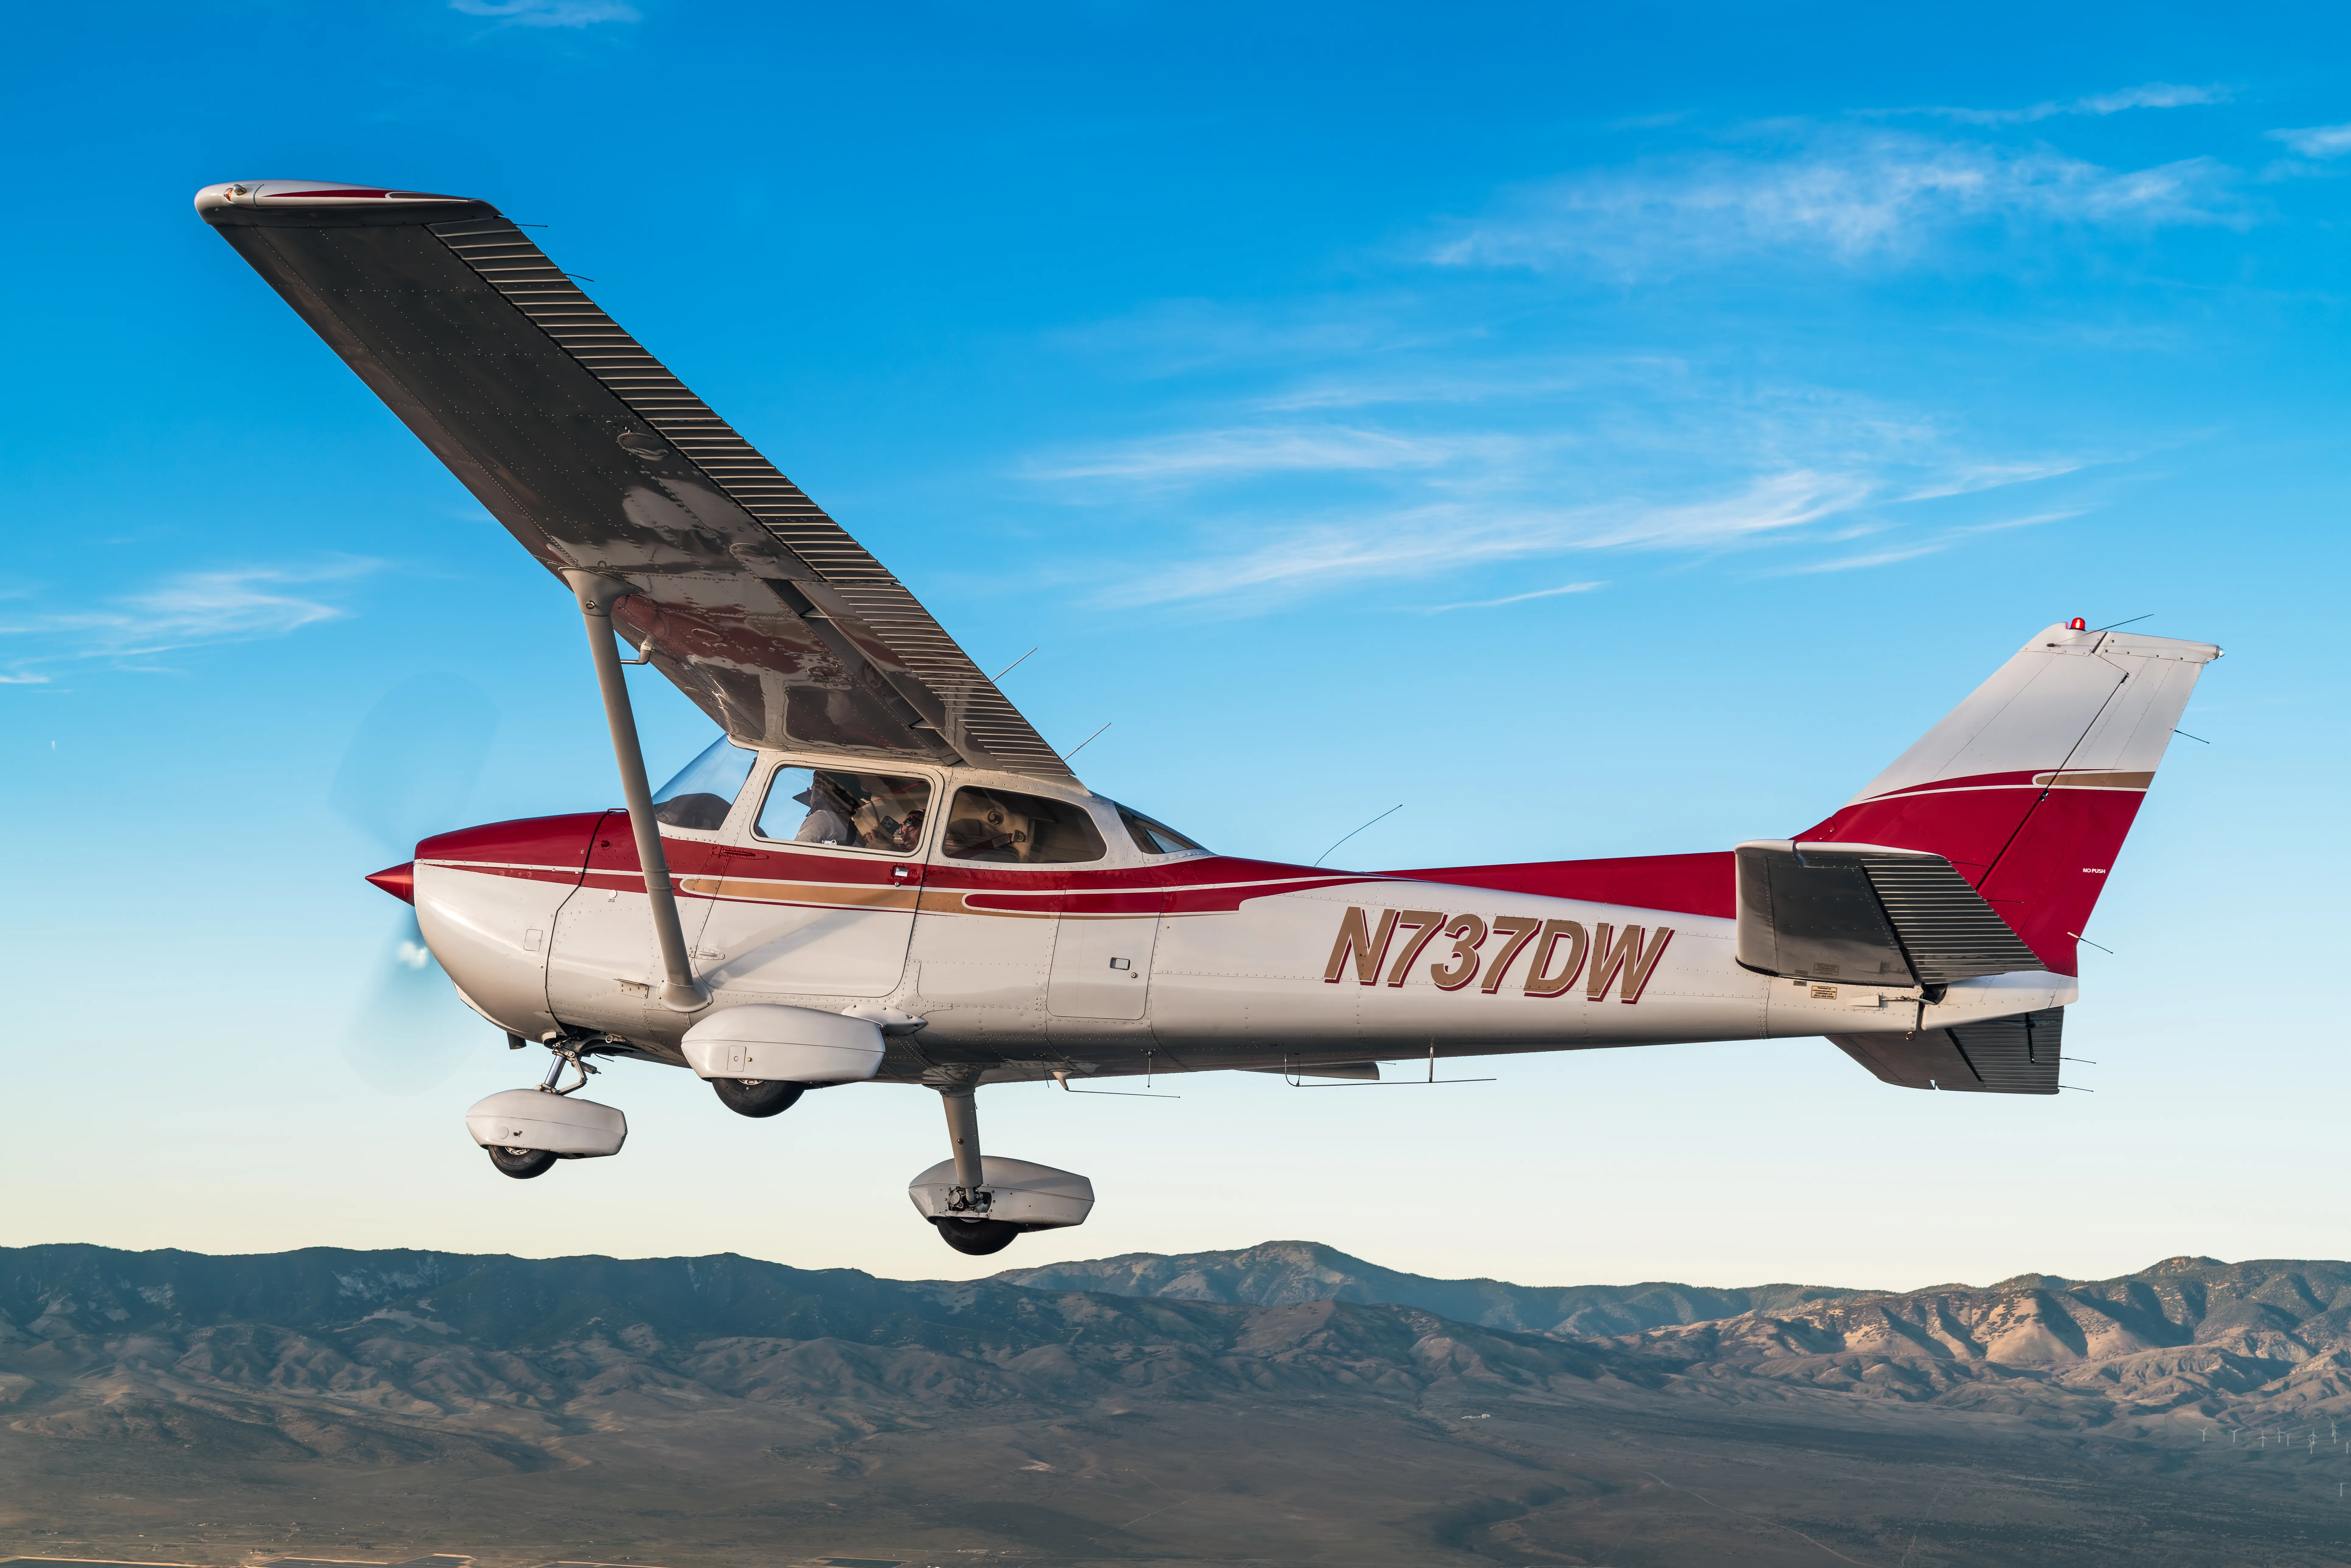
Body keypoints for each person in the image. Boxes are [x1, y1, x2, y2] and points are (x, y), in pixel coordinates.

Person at [792, 778, 856, 845]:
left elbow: (800, 851)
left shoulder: (821, 817)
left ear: (817, 794)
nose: (810, 800)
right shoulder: (847, 822)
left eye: (810, 793)